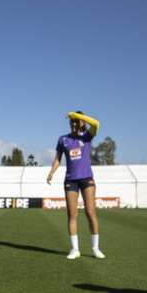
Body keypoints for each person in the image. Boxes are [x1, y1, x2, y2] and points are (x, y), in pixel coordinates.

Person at [46, 111, 105, 259]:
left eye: (76, 122)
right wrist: (52, 172)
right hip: (71, 180)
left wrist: (79, 117)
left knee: (90, 213)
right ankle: (75, 249)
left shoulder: (87, 137)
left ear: (82, 123)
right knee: (72, 215)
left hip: (86, 179)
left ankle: (95, 248)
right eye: (71, 122)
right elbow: (58, 158)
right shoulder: (63, 139)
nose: (73, 124)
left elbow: (96, 124)